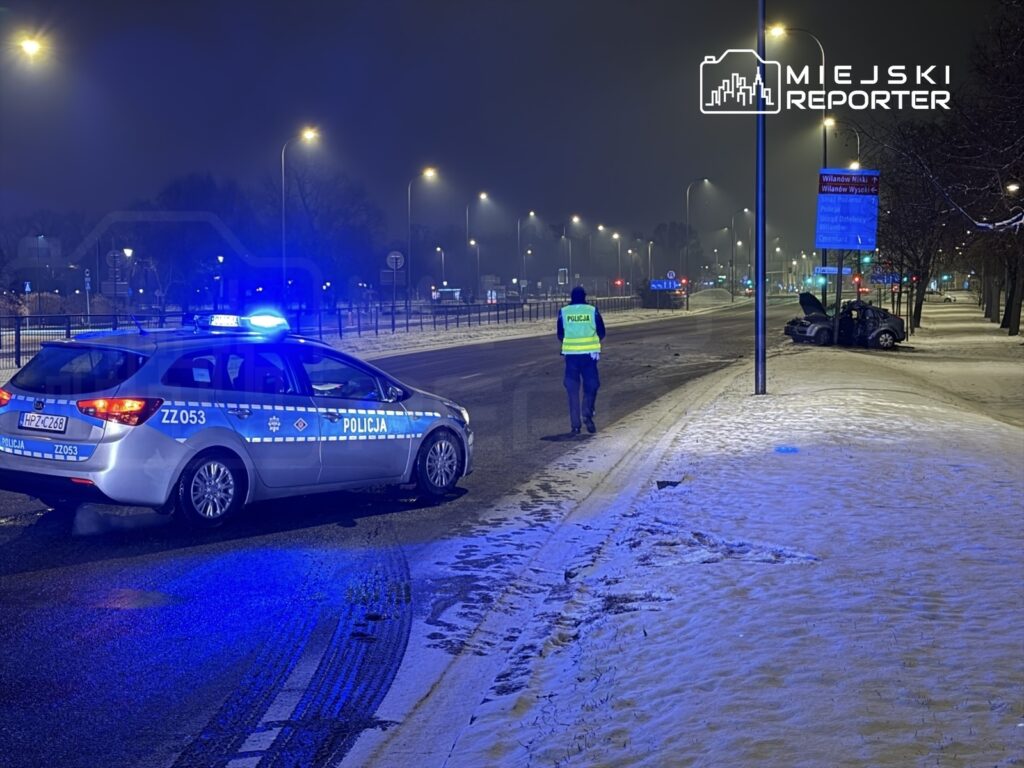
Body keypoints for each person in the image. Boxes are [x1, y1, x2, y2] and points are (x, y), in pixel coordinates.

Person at [557, 285, 606, 434]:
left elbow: (560, 334)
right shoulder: (592, 311)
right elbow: (602, 332)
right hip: (589, 356)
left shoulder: (564, 312)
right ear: (585, 296)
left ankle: (575, 425)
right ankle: (587, 412)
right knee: (592, 385)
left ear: (571, 297)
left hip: (571, 357)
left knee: (572, 390)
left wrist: (572, 343)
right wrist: (592, 343)